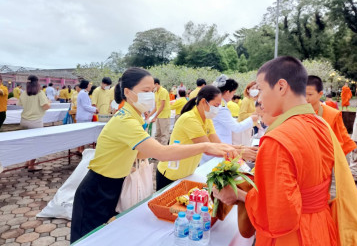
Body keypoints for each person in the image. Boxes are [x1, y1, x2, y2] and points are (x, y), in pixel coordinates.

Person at [70, 67, 237, 243]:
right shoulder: (125, 121)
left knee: (104, 237)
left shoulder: (135, 117)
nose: (151, 95)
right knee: (87, 240)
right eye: (145, 91)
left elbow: (141, 152)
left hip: (113, 185)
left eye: (152, 90)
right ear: (128, 92)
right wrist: (204, 146)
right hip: (97, 188)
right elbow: (161, 153)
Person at [214, 56, 347, 245]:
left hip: (292, 236)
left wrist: (238, 195)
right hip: (321, 226)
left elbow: (277, 214)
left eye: (260, 89)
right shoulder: (322, 124)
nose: (259, 98)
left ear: (281, 87)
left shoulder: (277, 139)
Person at [156, 85, 230, 190]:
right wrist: (236, 152)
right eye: (216, 105)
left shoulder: (206, 119)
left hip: (186, 174)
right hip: (171, 175)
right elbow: (209, 149)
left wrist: (240, 149)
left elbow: (217, 143)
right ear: (204, 102)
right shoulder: (190, 119)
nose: (217, 109)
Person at [199, 75, 258, 165]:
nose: (233, 96)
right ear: (227, 92)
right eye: (233, 93)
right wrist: (251, 119)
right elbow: (236, 128)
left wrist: (240, 148)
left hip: (220, 144)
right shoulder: (221, 107)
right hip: (217, 147)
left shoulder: (222, 105)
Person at [306, 75, 356, 155]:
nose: (306, 98)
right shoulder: (293, 112)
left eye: (310, 94)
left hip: (324, 161)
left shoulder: (332, 114)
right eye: (303, 94)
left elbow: (342, 144)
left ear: (320, 94)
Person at [17, 75, 50, 172]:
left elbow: (19, 104)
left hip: (24, 121)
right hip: (36, 122)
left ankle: (27, 162)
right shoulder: (40, 93)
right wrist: (49, 103)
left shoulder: (24, 93)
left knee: (27, 143)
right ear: (37, 82)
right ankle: (31, 165)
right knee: (36, 144)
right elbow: (45, 106)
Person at [149, 78, 171, 145]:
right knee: (158, 134)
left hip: (164, 116)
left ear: (156, 84)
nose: (152, 88)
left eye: (152, 86)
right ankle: (157, 148)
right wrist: (149, 115)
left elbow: (162, 106)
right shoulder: (156, 92)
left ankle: (163, 150)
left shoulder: (163, 91)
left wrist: (155, 117)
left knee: (164, 134)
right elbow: (156, 107)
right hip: (159, 116)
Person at [237, 81, 259, 146]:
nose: (255, 90)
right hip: (244, 128)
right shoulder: (246, 100)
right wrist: (255, 114)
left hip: (251, 127)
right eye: (253, 88)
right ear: (248, 90)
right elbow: (242, 115)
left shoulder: (254, 100)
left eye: (257, 88)